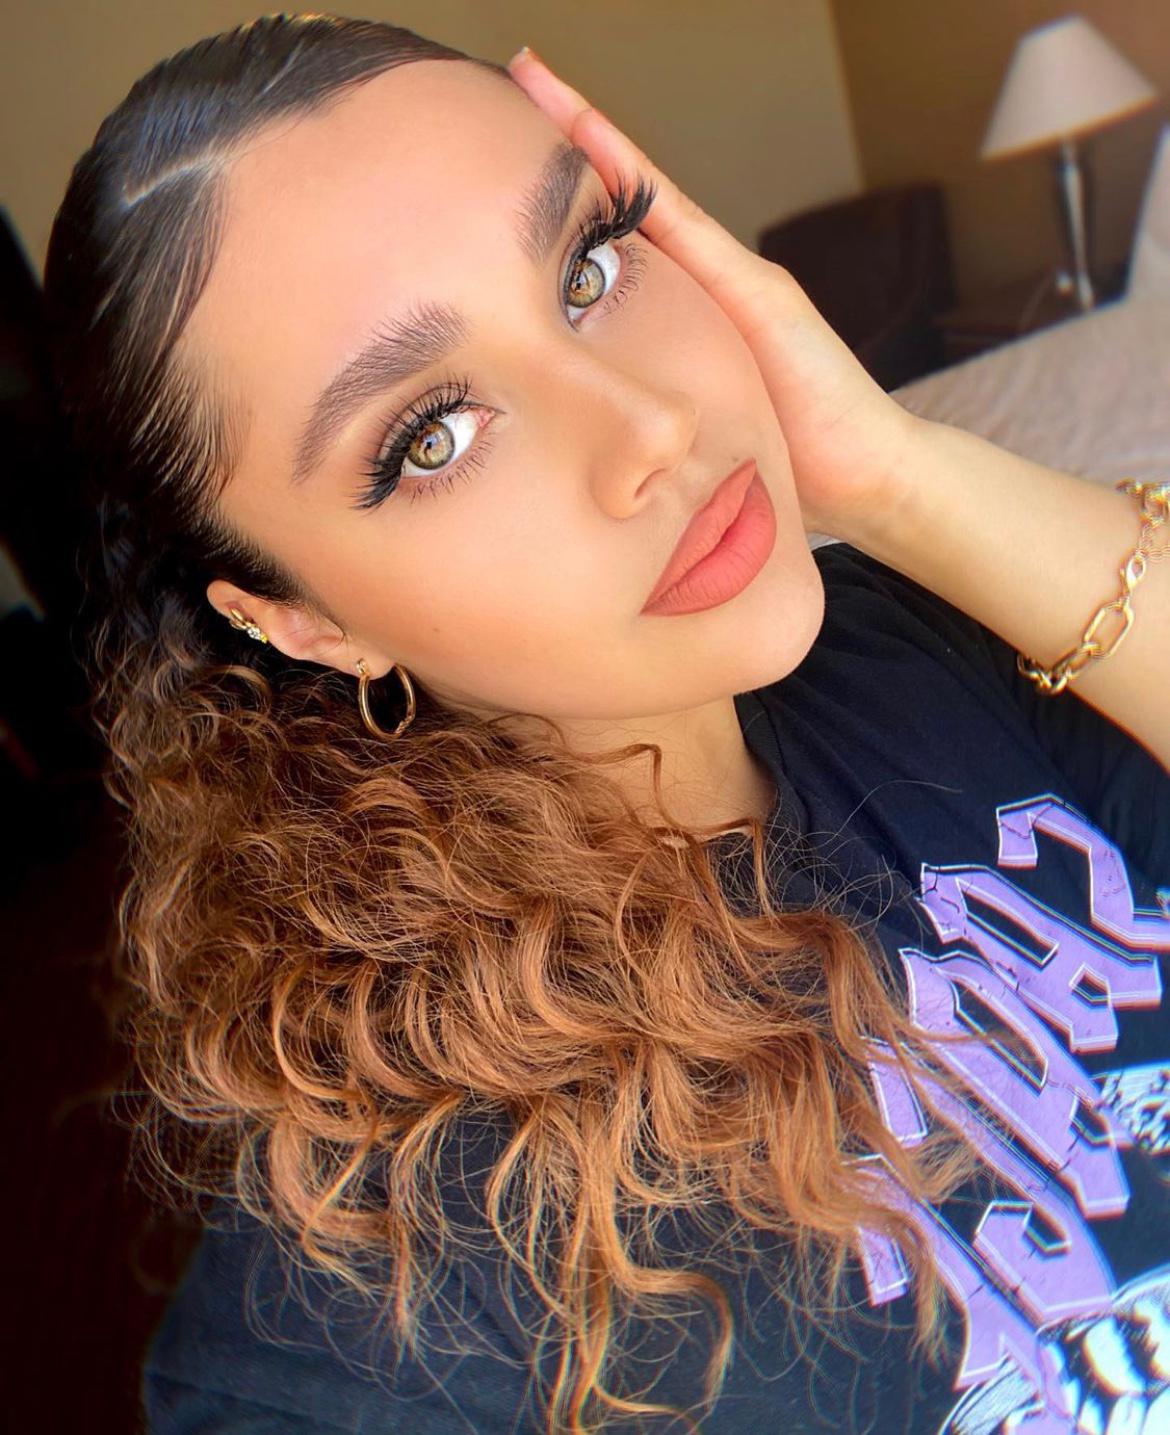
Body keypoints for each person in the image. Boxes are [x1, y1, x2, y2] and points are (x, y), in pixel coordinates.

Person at [41, 13, 1170, 1433]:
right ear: (305, 622)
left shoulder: (912, 643)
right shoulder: (378, 1299)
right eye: (432, 437)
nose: (650, 428)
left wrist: (900, 478)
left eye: (588, 262)